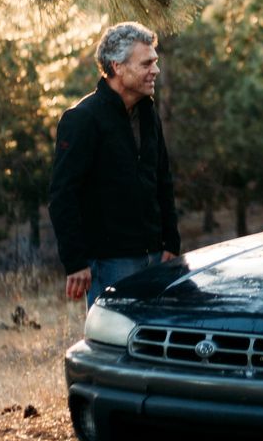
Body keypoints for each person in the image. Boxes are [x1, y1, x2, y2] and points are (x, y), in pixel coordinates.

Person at [49, 21, 181, 309]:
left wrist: (171, 243)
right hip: (109, 263)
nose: (155, 71)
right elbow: (62, 195)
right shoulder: (82, 119)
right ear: (117, 66)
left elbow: (162, 180)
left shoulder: (148, 113)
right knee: (114, 346)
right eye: (146, 63)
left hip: (156, 257)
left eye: (155, 62)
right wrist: (75, 262)